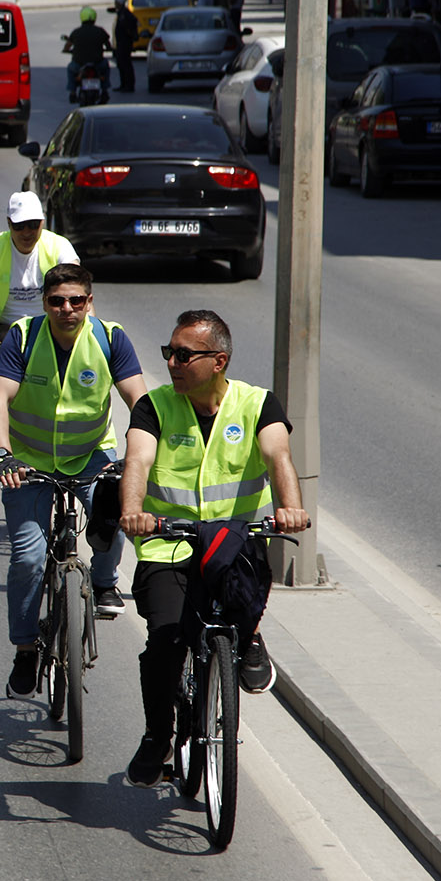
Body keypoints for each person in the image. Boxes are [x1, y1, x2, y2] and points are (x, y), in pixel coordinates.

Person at [118, 308, 308, 786]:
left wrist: (291, 507)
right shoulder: (154, 406)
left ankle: (246, 636)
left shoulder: (258, 404)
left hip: (233, 543)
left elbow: (278, 455)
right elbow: (137, 461)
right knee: (164, 639)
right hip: (169, 546)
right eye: (169, 353)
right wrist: (133, 512)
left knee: (237, 602)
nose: (173, 363)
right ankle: (157, 735)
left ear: (218, 360)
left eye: (184, 354)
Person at [0, 263, 146, 697]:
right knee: (28, 559)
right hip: (29, 464)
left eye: (77, 301)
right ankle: (24, 649)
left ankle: (103, 581)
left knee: (116, 519)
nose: (67, 309)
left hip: (92, 457)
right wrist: (3, 456)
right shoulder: (22, 336)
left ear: (89, 302)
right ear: (45, 303)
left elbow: (139, 401)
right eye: (57, 301)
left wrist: (139, 456)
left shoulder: (110, 338)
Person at [0, 191, 79, 363]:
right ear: (9, 223)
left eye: (33, 225)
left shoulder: (59, 245)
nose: (26, 232)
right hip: (7, 330)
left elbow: (78, 290)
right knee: (5, 376)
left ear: (42, 222)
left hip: (49, 326)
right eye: (19, 226)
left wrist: (90, 335)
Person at [64, 7, 111, 102]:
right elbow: (108, 45)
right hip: (98, 64)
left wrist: (66, 50)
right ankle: (105, 90)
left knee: (70, 69)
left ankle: (72, 92)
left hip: (79, 64)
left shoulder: (76, 32)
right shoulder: (100, 31)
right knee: (106, 67)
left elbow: (67, 46)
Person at [111, 1, 139, 93]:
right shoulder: (121, 13)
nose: (115, 4)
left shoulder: (125, 14)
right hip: (120, 43)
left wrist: (129, 34)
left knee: (126, 64)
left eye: (116, 2)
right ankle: (123, 84)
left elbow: (131, 23)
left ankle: (129, 85)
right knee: (121, 64)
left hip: (125, 43)